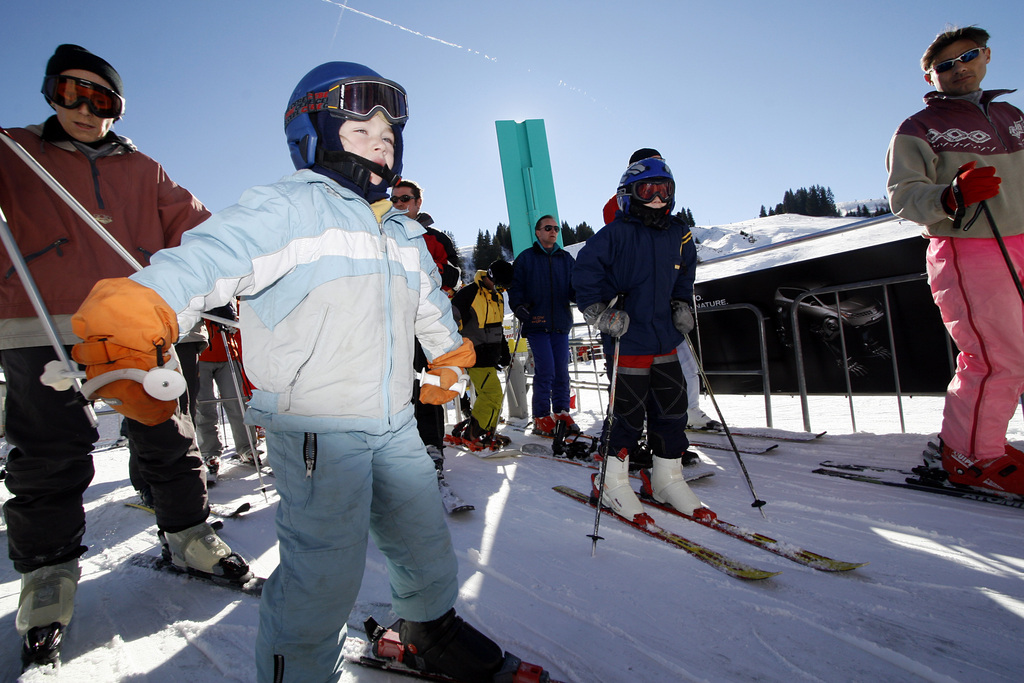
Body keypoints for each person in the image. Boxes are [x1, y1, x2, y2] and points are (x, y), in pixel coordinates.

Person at [71, 61, 542, 683]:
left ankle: (429, 628)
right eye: (359, 129)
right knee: (324, 571)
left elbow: (433, 313)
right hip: (318, 427)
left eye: (389, 132)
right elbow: (210, 258)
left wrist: (450, 363)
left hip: (396, 422)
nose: (381, 140)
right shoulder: (289, 208)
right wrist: (138, 308)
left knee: (425, 543)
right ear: (314, 135)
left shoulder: (402, 233)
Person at [0, 44, 248, 666]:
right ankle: (48, 579)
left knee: (166, 432)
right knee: (50, 451)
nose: (85, 109)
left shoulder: (145, 170)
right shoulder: (12, 151)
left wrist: (233, 275)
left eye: (101, 98)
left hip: (130, 326)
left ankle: (189, 534)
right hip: (39, 322)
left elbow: (198, 230)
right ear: (50, 92)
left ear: (118, 108)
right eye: (70, 92)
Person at [886, 26, 1024, 495]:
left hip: (1023, 237)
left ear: (986, 56)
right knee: (996, 355)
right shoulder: (918, 129)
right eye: (944, 65)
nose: (958, 68)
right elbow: (903, 197)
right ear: (930, 77)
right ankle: (969, 455)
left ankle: (987, 441)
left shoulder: (1012, 115)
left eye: (967, 57)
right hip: (972, 247)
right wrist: (951, 196)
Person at [575, 156, 716, 523]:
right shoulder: (616, 233)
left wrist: (682, 303)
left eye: (663, 189)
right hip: (629, 337)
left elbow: (685, 271)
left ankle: (665, 478)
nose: (656, 197)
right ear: (631, 194)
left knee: (672, 408)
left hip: (664, 338)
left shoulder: (678, 232)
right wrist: (599, 313)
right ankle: (612, 480)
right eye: (647, 189)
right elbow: (584, 274)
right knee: (627, 413)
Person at [392, 180, 461, 472]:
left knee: (429, 383)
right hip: (394, 324)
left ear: (419, 203)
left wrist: (434, 280)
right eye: (393, 198)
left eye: (405, 198)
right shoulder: (382, 236)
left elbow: (454, 277)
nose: (398, 203)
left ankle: (432, 443)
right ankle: (401, 445)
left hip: (427, 325)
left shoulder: (435, 239)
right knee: (397, 385)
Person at [508, 215, 577, 436]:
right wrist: (518, 306)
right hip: (537, 322)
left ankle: (561, 412)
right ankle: (541, 416)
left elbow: (575, 288)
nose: (553, 231)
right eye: (548, 228)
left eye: (556, 228)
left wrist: (588, 297)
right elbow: (515, 287)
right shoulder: (526, 259)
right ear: (537, 232)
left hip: (560, 322)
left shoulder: (566, 259)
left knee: (561, 371)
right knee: (546, 369)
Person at [449, 259, 514, 450]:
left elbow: (497, 327)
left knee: (492, 396)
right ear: (491, 277)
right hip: (474, 354)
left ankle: (487, 431)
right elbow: (451, 322)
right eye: (501, 285)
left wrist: (504, 351)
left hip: (490, 356)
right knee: (491, 394)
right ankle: (474, 433)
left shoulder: (497, 296)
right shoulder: (469, 294)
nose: (502, 290)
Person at [194, 301, 260, 479]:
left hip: (228, 351)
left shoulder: (227, 290)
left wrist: (232, 320)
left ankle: (247, 448)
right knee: (205, 407)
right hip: (200, 354)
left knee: (238, 403)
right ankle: (210, 452)